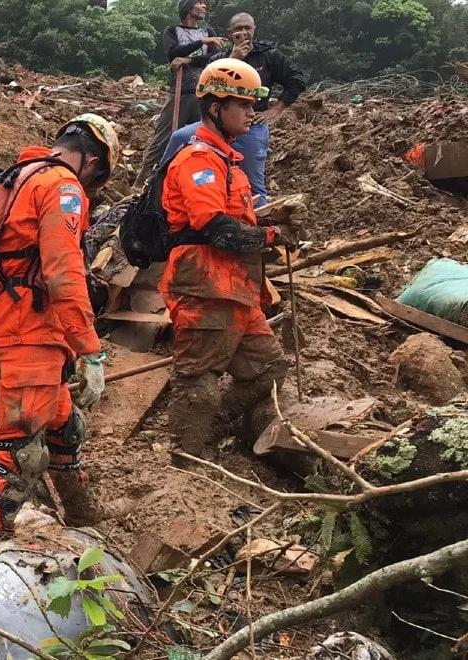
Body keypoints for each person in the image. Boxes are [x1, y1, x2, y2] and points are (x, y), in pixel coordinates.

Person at [0, 114, 121, 540]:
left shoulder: (4, 185)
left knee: (64, 424)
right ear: (93, 163)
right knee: (20, 453)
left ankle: (82, 516)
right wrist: (89, 347)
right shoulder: (62, 186)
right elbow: (64, 271)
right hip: (29, 329)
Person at [159, 58, 295, 462]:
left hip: (236, 290)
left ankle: (213, 430)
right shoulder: (198, 159)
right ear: (217, 107)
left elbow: (234, 220)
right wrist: (268, 236)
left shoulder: (228, 161)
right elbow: (216, 228)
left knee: (267, 370)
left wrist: (267, 225)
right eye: (244, 105)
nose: (253, 113)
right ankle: (184, 462)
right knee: (197, 380)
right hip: (204, 286)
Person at [158, 12, 307, 205]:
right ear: (230, 34)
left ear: (254, 30)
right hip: (215, 126)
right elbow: (205, 86)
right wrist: (232, 59)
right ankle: (158, 196)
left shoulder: (268, 55)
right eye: (238, 29)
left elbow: (297, 80)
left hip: (250, 126)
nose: (243, 33)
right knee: (180, 138)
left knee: (254, 186)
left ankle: (256, 227)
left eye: (247, 28)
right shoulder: (219, 58)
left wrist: (275, 110)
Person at [135, 0, 226, 186]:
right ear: (188, 7)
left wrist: (188, 61)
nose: (204, 6)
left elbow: (214, 58)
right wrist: (201, 42)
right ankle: (142, 181)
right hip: (180, 92)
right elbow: (173, 53)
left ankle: (197, 182)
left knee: (204, 137)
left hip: (204, 94)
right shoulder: (172, 31)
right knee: (164, 135)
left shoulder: (209, 32)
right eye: (199, 3)